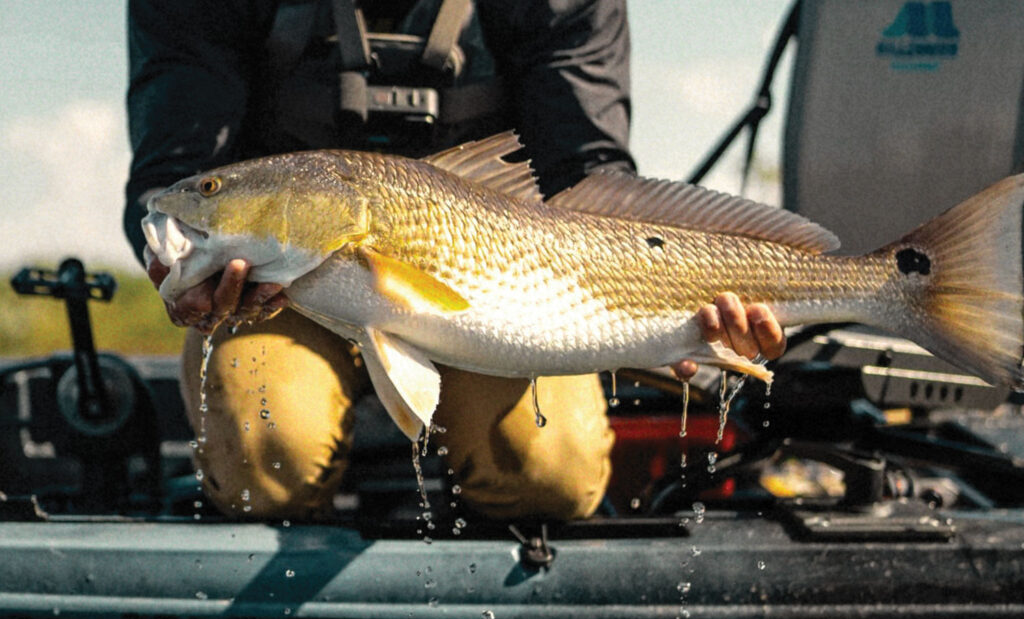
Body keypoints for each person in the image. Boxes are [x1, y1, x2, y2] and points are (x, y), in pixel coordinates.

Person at [124, 0, 785, 521]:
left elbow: (587, 177)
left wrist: (680, 304)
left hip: (506, 280)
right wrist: (180, 275)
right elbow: (174, 178)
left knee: (547, 473)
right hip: (277, 289)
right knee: (268, 460)